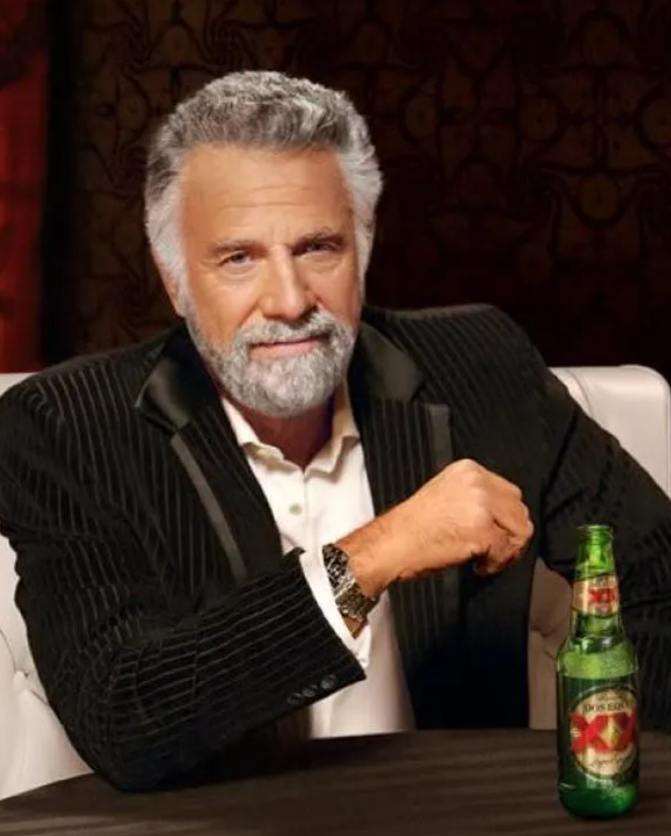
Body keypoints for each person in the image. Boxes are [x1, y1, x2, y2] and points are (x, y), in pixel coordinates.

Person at [0, 70, 669, 793]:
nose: (290, 301)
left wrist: (610, 776)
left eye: (318, 247)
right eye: (239, 258)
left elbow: (657, 579)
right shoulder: (64, 428)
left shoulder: (482, 366)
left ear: (363, 247)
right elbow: (123, 715)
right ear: (174, 278)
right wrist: (376, 554)